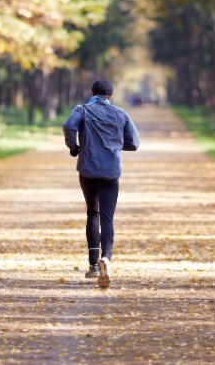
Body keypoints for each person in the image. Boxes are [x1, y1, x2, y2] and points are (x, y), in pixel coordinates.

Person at [62, 79, 140, 289]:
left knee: (92, 213)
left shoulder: (82, 110)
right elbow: (134, 143)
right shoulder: (120, 114)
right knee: (107, 217)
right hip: (110, 172)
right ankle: (106, 258)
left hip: (88, 171)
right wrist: (115, 146)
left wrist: (74, 147)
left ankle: (93, 266)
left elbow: (69, 126)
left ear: (92, 92)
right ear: (110, 96)